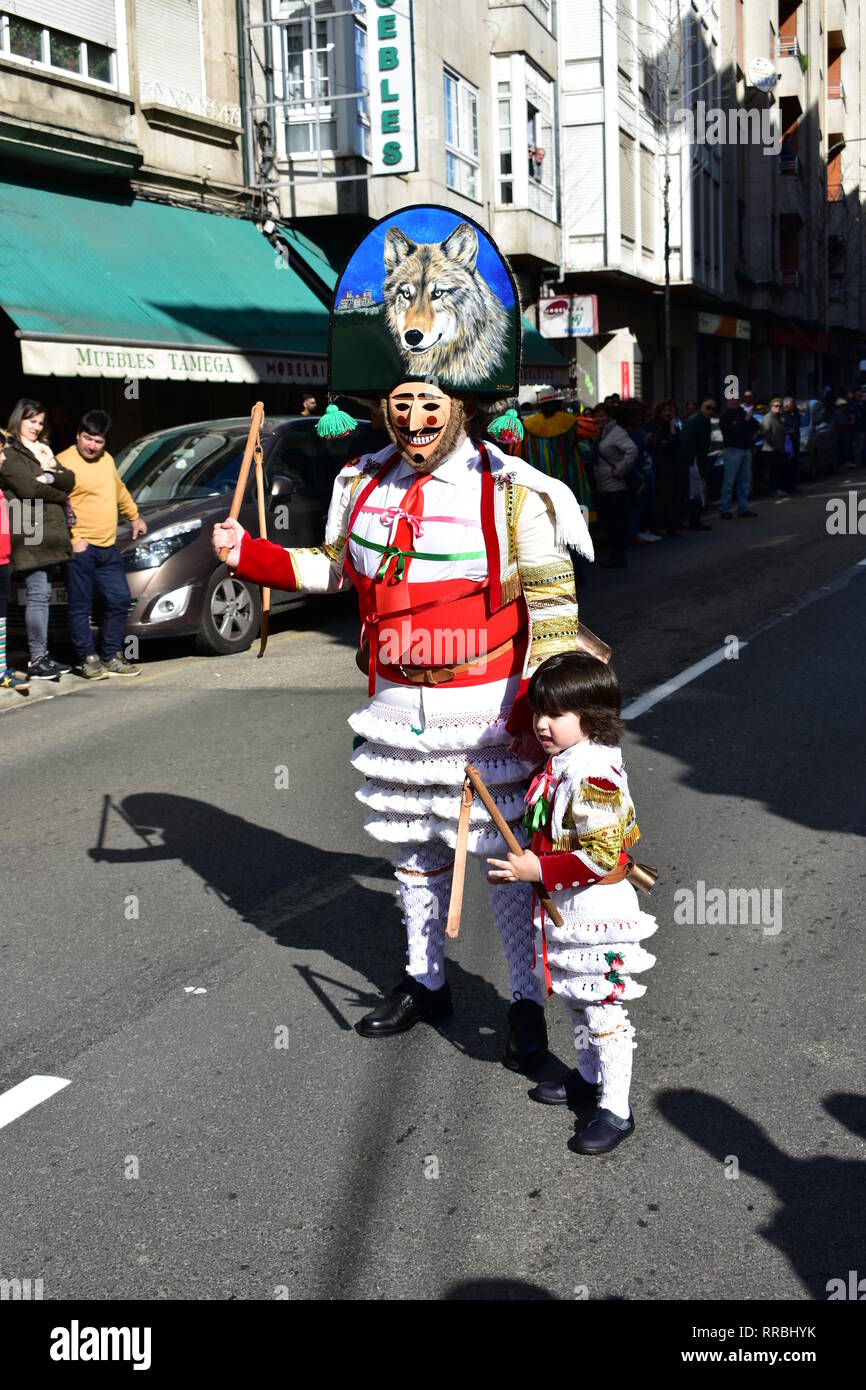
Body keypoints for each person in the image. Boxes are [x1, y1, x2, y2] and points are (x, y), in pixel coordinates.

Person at [212, 206, 598, 1072]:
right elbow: (333, 571)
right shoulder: (359, 480)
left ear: (458, 402)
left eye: (429, 403)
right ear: (383, 408)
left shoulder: (514, 489)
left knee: (501, 863)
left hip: (485, 711)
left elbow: (553, 605)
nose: (415, 419)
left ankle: (528, 1007)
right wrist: (254, 558)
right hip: (394, 711)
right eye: (401, 404)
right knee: (416, 858)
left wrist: (551, 717)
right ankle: (426, 982)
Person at [486, 652, 657, 1155]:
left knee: (605, 1011)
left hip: (598, 912)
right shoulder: (565, 760)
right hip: (569, 909)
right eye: (540, 711)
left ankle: (616, 1108)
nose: (542, 723)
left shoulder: (595, 773)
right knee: (578, 1001)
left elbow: (603, 856)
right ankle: (587, 1077)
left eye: (556, 714)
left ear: (592, 716)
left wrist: (535, 870)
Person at [56, 410, 146, 679]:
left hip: (108, 547)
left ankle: (111, 655)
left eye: (98, 441)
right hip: (81, 549)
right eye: (87, 439)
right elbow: (56, 506)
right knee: (80, 606)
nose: (92, 446)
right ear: (77, 435)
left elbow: (118, 490)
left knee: (119, 601)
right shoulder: (63, 462)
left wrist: (134, 516)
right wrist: (73, 539)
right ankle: (87, 658)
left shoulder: (106, 460)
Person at [0, 399, 75, 680]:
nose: (37, 427)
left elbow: (70, 478)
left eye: (41, 422)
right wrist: (58, 489)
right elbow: (29, 488)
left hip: (50, 532)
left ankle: (41, 655)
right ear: (18, 420)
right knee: (38, 594)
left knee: (42, 595)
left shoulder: (44, 450)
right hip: (29, 529)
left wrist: (51, 477)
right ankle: (37, 658)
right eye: (31, 421)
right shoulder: (9, 452)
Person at [520, 388, 594, 516]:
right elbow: (591, 430)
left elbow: (520, 453)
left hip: (541, 481)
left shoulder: (528, 424)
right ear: (558, 404)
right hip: (569, 477)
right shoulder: (570, 421)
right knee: (573, 511)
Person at [589, 402, 638, 567]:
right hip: (603, 484)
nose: (599, 418)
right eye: (596, 416)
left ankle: (619, 555)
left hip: (616, 485)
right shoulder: (600, 432)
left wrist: (619, 470)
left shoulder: (616, 432)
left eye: (602, 415)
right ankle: (615, 554)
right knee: (609, 522)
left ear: (610, 416)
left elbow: (632, 450)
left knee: (616, 522)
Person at [0, 444, 29, 693]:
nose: (2, 458)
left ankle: (0, 671)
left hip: (3, 561)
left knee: (0, 619)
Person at [718, 395, 759, 519]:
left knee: (744, 481)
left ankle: (743, 508)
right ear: (727, 402)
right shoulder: (725, 416)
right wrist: (745, 422)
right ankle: (725, 509)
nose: (735, 401)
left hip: (746, 450)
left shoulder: (743, 412)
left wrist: (746, 421)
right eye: (732, 399)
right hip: (732, 450)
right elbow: (732, 431)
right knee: (729, 482)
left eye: (737, 399)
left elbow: (755, 426)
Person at [647, 398, 683, 536]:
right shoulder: (655, 425)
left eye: (670, 410)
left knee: (672, 495)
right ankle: (659, 525)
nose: (667, 413)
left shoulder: (673, 424)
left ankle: (671, 525)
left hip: (673, 464)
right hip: (660, 465)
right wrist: (671, 436)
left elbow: (678, 443)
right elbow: (661, 444)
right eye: (664, 410)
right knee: (662, 495)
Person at [680, 397, 715, 530]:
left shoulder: (705, 421)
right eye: (708, 407)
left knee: (698, 491)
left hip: (700, 460)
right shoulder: (693, 421)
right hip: (693, 461)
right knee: (694, 491)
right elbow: (686, 442)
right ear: (702, 406)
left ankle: (696, 520)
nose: (710, 411)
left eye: (713, 408)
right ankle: (693, 521)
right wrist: (691, 460)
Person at [761, 396, 788, 497]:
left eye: (780, 406)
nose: (778, 408)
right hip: (770, 449)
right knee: (773, 471)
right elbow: (765, 431)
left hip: (779, 449)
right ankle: (773, 489)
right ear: (771, 406)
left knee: (779, 470)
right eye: (776, 406)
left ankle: (778, 488)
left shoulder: (780, 418)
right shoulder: (768, 417)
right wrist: (773, 442)